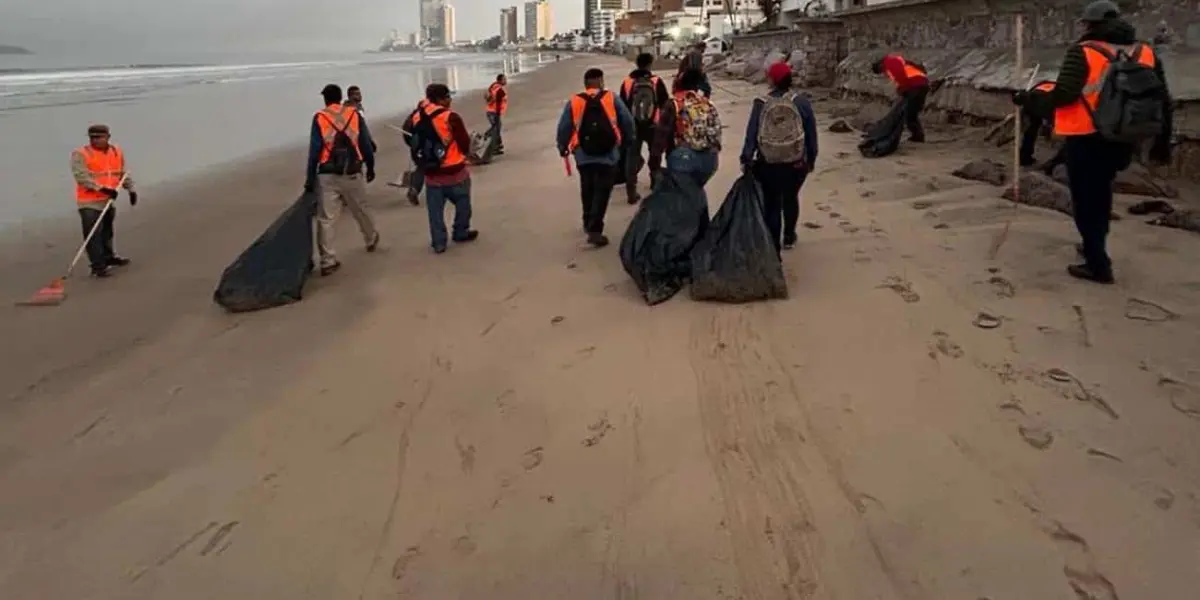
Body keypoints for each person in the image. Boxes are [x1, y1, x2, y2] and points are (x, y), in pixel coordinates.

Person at [1013, 0, 1172, 284]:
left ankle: (1097, 263)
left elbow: (1063, 96)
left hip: (1087, 136)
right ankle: (1093, 244)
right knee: (1102, 193)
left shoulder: (1082, 52)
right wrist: (1162, 141)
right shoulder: (1145, 51)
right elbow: (1163, 98)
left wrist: (1028, 100)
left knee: (1087, 200)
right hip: (1125, 136)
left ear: (1090, 25)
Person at [740, 62, 819, 255]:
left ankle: (773, 247)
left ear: (771, 80)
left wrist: (746, 158)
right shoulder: (801, 101)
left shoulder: (761, 103)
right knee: (791, 198)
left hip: (769, 162)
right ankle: (789, 236)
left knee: (772, 203)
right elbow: (811, 134)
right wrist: (810, 159)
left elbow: (752, 133)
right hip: (796, 162)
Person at [555, 67, 636, 248]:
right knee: (603, 191)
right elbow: (627, 121)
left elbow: (564, 127)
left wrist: (562, 147)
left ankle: (587, 221)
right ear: (600, 81)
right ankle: (595, 229)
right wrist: (628, 141)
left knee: (588, 187)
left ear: (585, 84)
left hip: (583, 154)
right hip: (608, 153)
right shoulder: (611, 98)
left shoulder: (575, 101)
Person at [305, 83, 380, 276]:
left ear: (325, 99)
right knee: (360, 208)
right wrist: (370, 167)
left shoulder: (320, 117)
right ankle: (371, 239)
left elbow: (314, 151)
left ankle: (328, 260)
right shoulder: (353, 115)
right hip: (352, 171)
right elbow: (365, 144)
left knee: (327, 219)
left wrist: (309, 177)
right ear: (340, 97)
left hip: (327, 173)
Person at [411, 83, 478, 254]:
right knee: (463, 204)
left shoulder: (417, 116)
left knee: (435, 212)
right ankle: (460, 232)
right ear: (442, 99)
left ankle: (439, 242)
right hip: (454, 170)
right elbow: (463, 142)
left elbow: (412, 140)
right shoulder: (450, 117)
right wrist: (467, 154)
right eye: (448, 97)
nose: (450, 100)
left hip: (431, 173)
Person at [70, 124, 137, 278]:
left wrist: (131, 189)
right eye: (93, 137)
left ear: (108, 137)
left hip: (108, 200)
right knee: (93, 234)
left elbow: (121, 174)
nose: (96, 140)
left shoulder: (115, 152)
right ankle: (97, 265)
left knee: (107, 231)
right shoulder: (81, 154)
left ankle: (108, 257)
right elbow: (82, 177)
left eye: (99, 137)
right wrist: (101, 189)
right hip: (89, 201)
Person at [650, 68, 722, 195]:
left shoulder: (673, 104)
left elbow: (660, 138)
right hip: (709, 160)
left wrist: (654, 165)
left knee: (682, 199)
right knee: (695, 193)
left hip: (683, 158)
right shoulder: (706, 103)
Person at [619, 53, 670, 204]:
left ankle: (631, 191)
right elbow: (665, 104)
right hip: (653, 125)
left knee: (632, 157)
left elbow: (622, 106)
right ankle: (655, 181)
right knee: (655, 153)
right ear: (650, 64)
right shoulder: (656, 81)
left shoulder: (627, 82)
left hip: (633, 126)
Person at [871, 52, 930, 143]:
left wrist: (902, 89)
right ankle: (917, 135)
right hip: (921, 84)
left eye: (881, 70)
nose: (883, 72)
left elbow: (901, 75)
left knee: (909, 112)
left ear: (880, 64)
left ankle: (917, 136)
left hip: (916, 85)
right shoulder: (895, 61)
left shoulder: (890, 62)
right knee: (911, 112)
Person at [1018, 80, 1067, 172]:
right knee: (1070, 138)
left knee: (1031, 129)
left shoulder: (1048, 84)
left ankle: (1024, 158)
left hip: (1033, 96)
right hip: (1047, 102)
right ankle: (1052, 165)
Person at [401, 96, 432, 206]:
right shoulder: (427, 117)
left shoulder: (412, 117)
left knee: (421, 167)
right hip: (426, 145)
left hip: (416, 146)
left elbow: (406, 134)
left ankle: (414, 189)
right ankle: (414, 189)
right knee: (426, 167)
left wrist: (413, 147)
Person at [485, 74, 508, 155]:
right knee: (496, 129)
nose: (506, 81)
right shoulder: (499, 90)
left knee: (496, 128)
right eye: (504, 79)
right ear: (500, 80)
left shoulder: (494, 86)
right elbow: (498, 102)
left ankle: (497, 146)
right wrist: (498, 114)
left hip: (491, 111)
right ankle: (495, 146)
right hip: (494, 112)